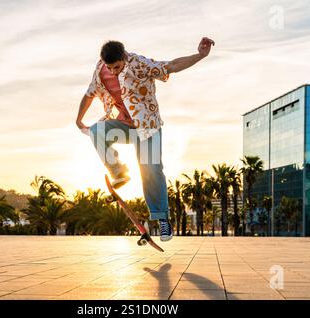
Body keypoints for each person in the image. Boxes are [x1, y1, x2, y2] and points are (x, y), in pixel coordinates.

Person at [76, 37, 215, 241]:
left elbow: (172, 66)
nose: (113, 72)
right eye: (110, 68)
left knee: (150, 169)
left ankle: (163, 220)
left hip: (148, 128)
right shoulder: (100, 70)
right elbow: (89, 94)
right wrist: (79, 120)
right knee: (96, 131)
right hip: (123, 126)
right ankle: (119, 173)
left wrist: (200, 55)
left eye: (117, 67)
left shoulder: (139, 64)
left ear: (124, 57)